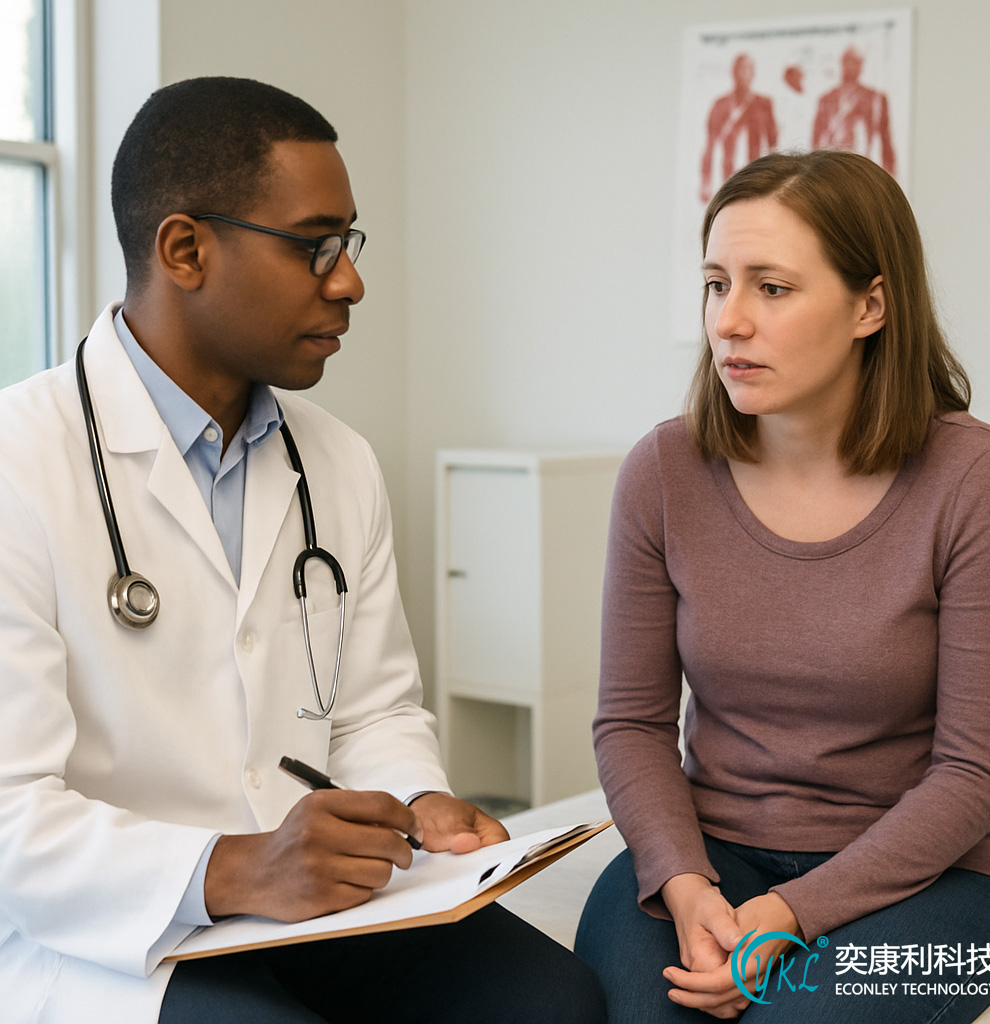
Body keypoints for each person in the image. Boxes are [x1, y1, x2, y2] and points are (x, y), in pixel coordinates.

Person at [0, 77, 606, 1024]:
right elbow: (11, 819)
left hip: (314, 908)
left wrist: (421, 799)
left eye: (349, 244)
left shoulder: (337, 461)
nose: (350, 280)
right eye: (314, 245)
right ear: (185, 249)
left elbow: (371, 708)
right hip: (113, 937)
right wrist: (235, 866)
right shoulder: (19, 464)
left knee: (552, 1002)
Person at [574, 149, 990, 1022]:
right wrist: (682, 881)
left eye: (771, 289)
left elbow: (976, 772)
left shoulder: (975, 478)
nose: (729, 322)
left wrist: (789, 916)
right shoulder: (663, 469)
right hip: (712, 856)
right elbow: (630, 723)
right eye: (716, 284)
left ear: (871, 305)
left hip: (934, 884)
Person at [699, 54, 778, 204]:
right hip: (727, 181)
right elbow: (709, 145)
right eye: (740, 68)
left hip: (756, 182)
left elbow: (773, 146)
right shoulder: (720, 105)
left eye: (748, 69)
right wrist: (705, 181)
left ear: (753, 73)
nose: (744, 73)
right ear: (733, 72)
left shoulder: (763, 104)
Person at [812, 47, 896, 176]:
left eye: (856, 63)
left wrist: (890, 173)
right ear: (842, 64)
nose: (851, 67)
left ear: (861, 66)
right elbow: (816, 140)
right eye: (848, 62)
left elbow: (885, 139)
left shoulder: (874, 98)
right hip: (832, 169)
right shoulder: (826, 99)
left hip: (863, 166)